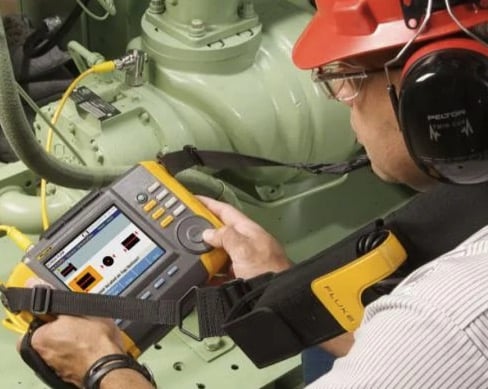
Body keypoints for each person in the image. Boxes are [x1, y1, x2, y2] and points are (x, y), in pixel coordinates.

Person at [20, 0, 488, 387]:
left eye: (345, 81)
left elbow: (426, 349)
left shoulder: (443, 316)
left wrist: (103, 364)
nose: (345, 108)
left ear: (438, 104)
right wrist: (278, 286)